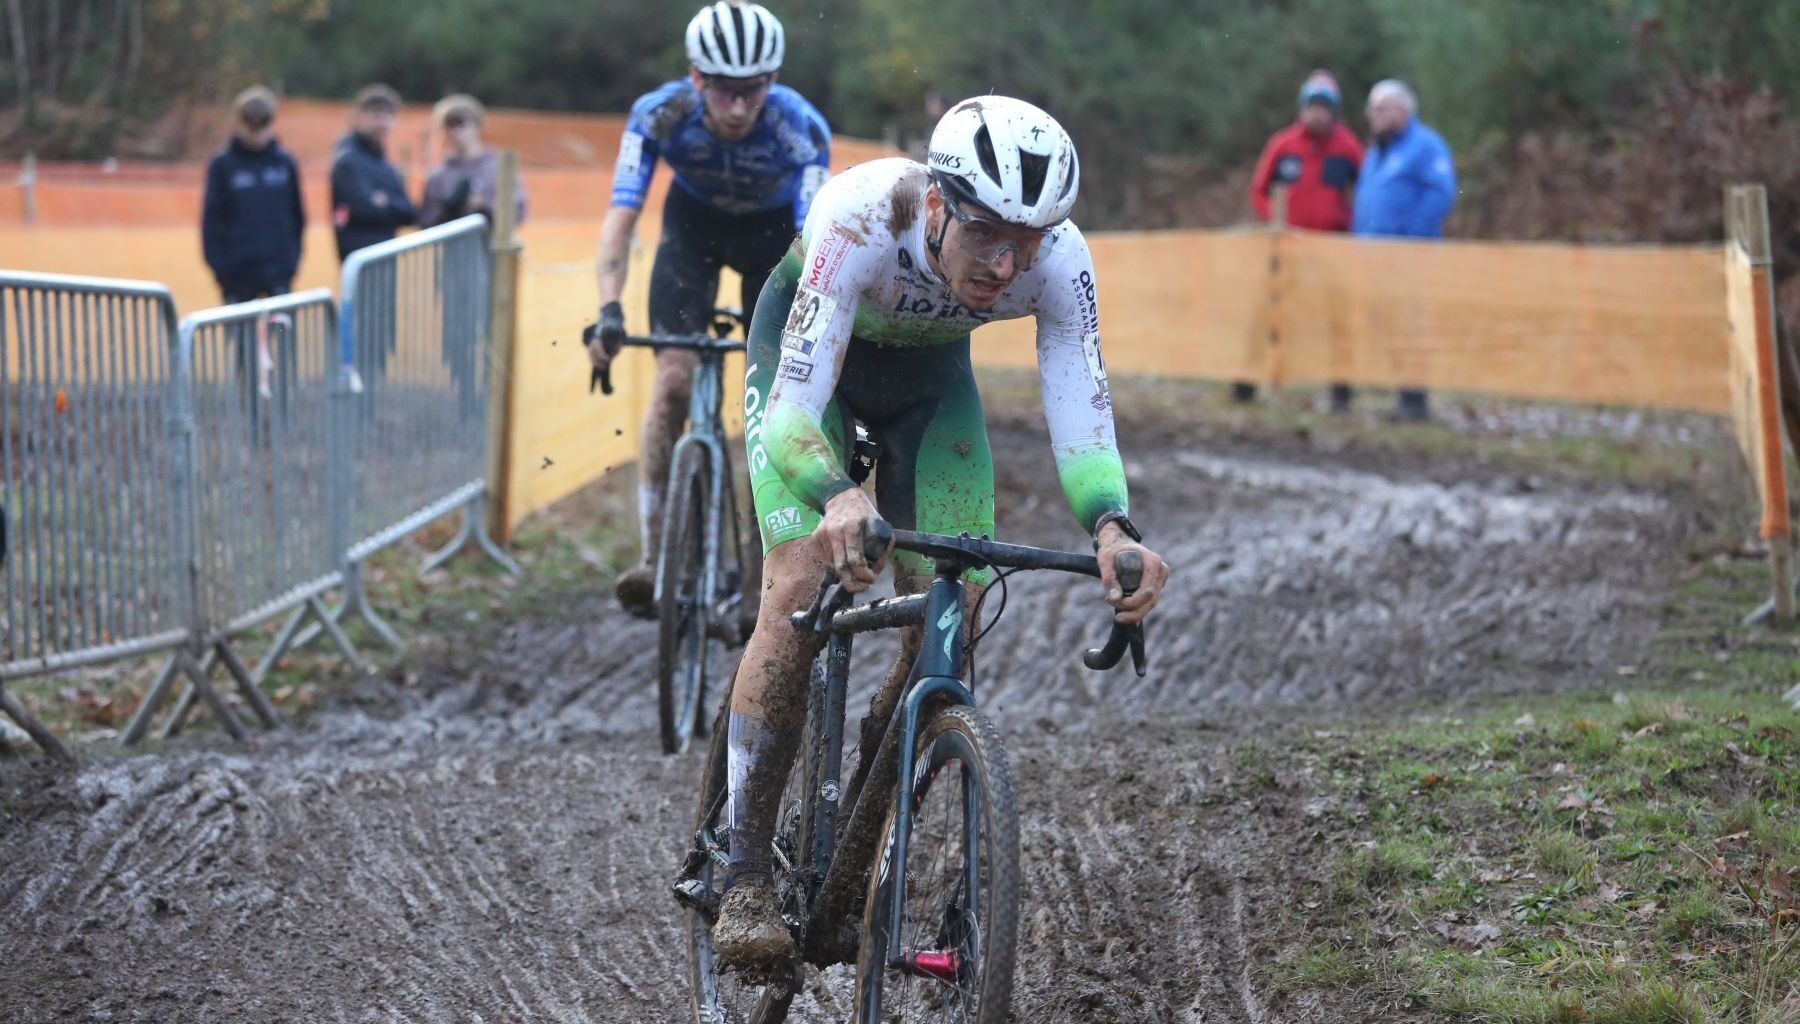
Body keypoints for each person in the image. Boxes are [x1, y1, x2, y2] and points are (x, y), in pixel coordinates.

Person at [706, 96, 1172, 969]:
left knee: (950, 617)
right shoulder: (860, 215)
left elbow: (1083, 409)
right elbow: (794, 414)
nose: (1005, 264)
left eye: (1026, 243)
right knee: (800, 585)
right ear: (934, 207)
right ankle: (742, 876)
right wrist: (836, 497)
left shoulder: (1058, 261)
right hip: (816, 379)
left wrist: (1113, 526)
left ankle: (857, 854)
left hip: (931, 391)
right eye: (988, 234)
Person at [584, 1, 831, 623]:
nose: (739, 107)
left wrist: (808, 338)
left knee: (770, 409)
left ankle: (760, 574)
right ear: (697, 79)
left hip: (774, 243)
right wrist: (608, 310)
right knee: (671, 381)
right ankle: (653, 556)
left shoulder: (800, 128)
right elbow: (621, 219)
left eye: (753, 91)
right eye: (724, 91)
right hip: (690, 233)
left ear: (771, 83)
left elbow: (812, 248)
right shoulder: (658, 116)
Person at [1240, 70, 1364, 410]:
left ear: (1335, 111)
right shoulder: (1283, 146)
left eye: (1325, 106)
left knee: (1336, 319)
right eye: (1312, 105)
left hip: (1332, 249)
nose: (1318, 112)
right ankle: (1246, 382)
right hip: (1288, 248)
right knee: (1266, 312)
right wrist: (1277, 221)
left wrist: (1352, 223)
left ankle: (1341, 391)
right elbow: (1259, 190)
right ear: (1302, 108)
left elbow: (1364, 191)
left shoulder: (1348, 148)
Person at [1351, 79, 1457, 421]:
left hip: (1409, 258)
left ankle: (1415, 400)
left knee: (1411, 324)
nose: (1374, 116)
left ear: (1402, 110)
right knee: (1389, 325)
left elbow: (1440, 193)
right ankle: (1401, 395)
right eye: (1372, 109)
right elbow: (1367, 203)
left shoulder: (1425, 145)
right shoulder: (1375, 152)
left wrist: (1411, 237)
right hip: (1374, 258)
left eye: (1381, 108)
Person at [201, 86, 305, 305]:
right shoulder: (223, 166)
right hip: (237, 278)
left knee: (283, 335)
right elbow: (211, 222)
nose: (256, 131)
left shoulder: (285, 164)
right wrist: (223, 273)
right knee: (242, 339)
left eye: (263, 123)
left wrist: (290, 265)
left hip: (278, 274)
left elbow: (298, 216)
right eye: (250, 123)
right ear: (239, 122)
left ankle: (281, 337)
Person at [330, 84, 417, 262]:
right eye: (377, 115)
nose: (383, 122)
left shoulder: (385, 164)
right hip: (360, 258)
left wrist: (385, 201)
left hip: (385, 255)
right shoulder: (347, 159)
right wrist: (390, 205)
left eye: (388, 115)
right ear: (360, 117)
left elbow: (409, 212)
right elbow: (364, 208)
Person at [419, 94, 527, 228]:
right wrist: (448, 211)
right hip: (452, 247)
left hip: (489, 246)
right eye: (449, 125)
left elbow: (518, 212)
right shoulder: (439, 176)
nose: (454, 131)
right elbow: (425, 221)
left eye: (460, 123)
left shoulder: (497, 169)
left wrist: (482, 206)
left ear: (476, 125)